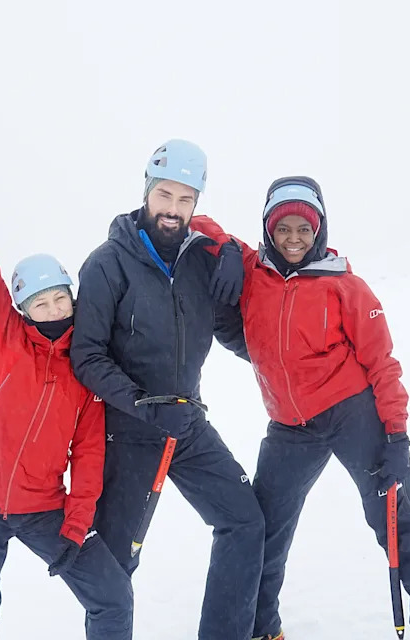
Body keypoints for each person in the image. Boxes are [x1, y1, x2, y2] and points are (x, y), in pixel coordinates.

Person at [191, 176, 410, 640]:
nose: (294, 238)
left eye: (304, 228)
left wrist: (397, 438)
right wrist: (232, 252)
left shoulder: (345, 286)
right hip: (288, 428)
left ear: (319, 231)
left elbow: (383, 364)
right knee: (264, 531)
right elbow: (197, 223)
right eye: (283, 229)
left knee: (404, 529)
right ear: (268, 230)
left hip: (351, 415)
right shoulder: (254, 272)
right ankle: (263, 628)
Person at [0, 137, 133, 640]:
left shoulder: (86, 367)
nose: (54, 311)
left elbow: (87, 454)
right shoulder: (5, 338)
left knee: (111, 597)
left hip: (42, 506)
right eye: (41, 304)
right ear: (22, 309)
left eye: (61, 299)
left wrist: (77, 522)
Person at [70, 139, 265, 640]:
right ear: (147, 191)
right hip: (128, 428)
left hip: (187, 423)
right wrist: (145, 407)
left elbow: (232, 333)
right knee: (113, 567)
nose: (173, 210)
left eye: (186, 200)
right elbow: (86, 356)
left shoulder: (203, 262)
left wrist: (290, 358)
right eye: (165, 196)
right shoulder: (107, 263)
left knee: (244, 521)